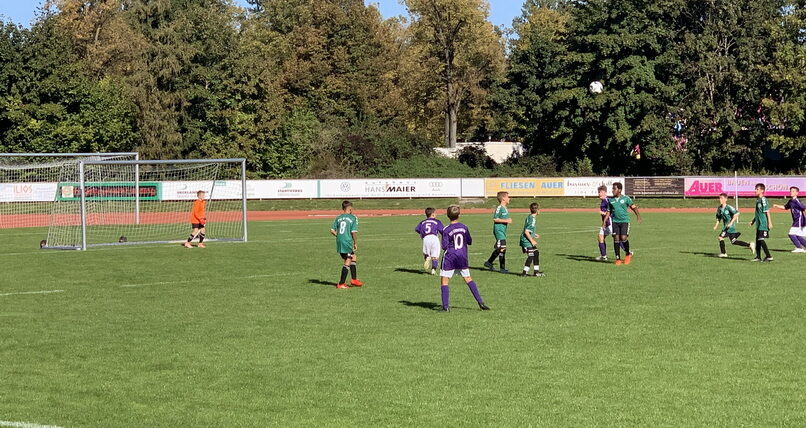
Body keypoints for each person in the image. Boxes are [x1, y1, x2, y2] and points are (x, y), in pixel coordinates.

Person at [439, 205, 489, 312]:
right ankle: (481, 303)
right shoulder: (464, 227)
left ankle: (445, 307)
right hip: (462, 256)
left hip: (450, 257)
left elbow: (444, 246)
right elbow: (469, 241)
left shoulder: (446, 229)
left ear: (447, 216)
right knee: (468, 278)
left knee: (444, 280)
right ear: (459, 215)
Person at [602, 182, 641, 265]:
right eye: (612, 188)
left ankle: (627, 254)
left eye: (614, 189)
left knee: (623, 238)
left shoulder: (626, 198)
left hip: (624, 221)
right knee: (616, 238)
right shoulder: (611, 200)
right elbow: (608, 211)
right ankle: (618, 259)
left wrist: (638, 216)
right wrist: (605, 221)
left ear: (619, 190)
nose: (612, 190)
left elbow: (633, 207)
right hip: (615, 222)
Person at [330, 200, 364, 288]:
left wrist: (339, 236)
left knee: (353, 257)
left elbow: (332, 230)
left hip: (340, 241)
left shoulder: (338, 217)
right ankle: (341, 283)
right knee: (348, 259)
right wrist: (355, 242)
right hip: (347, 241)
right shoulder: (353, 218)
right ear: (350, 208)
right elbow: (354, 232)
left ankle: (354, 279)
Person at [713, 192, 753, 257]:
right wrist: (716, 225)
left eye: (722, 198)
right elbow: (718, 218)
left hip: (730, 227)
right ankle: (749, 245)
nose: (720, 200)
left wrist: (731, 223)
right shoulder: (719, 208)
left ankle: (723, 253)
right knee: (733, 241)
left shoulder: (728, 207)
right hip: (727, 227)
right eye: (720, 198)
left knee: (720, 237)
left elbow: (737, 213)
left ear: (726, 199)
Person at [484, 191, 512, 273]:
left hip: (502, 231)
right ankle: (502, 269)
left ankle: (489, 262)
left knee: (501, 248)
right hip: (499, 231)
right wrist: (506, 220)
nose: (509, 198)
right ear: (503, 198)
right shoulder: (499, 208)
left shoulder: (505, 208)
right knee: (502, 248)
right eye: (508, 197)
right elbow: (495, 219)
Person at [773, 186, 806, 253]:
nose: (791, 192)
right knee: (798, 235)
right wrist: (777, 206)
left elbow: (804, 208)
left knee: (791, 234)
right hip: (796, 220)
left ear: (797, 193)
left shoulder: (797, 201)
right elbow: (785, 207)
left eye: (793, 191)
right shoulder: (791, 201)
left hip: (799, 220)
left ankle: (799, 248)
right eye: (790, 191)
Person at [415, 207, 444, 274]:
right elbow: (442, 231)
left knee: (427, 253)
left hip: (426, 238)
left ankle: (427, 258)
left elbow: (417, 229)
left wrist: (423, 233)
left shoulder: (422, 222)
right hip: (434, 238)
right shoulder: (437, 221)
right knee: (435, 256)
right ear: (433, 214)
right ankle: (433, 270)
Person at [519, 202, 545, 277]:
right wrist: (532, 240)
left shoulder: (530, 217)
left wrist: (534, 234)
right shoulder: (532, 219)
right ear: (537, 210)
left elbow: (528, 230)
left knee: (536, 253)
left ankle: (536, 272)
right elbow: (526, 231)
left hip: (527, 239)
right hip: (526, 240)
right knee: (531, 255)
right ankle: (524, 273)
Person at [750, 183, 773, 262]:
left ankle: (769, 256)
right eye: (755, 189)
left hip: (763, 223)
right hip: (758, 224)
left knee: (760, 239)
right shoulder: (758, 199)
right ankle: (758, 257)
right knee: (757, 240)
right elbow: (758, 213)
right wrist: (753, 221)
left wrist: (770, 222)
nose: (755, 190)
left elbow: (767, 211)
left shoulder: (763, 199)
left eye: (757, 189)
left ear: (762, 190)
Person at [596, 185, 611, 261]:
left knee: (618, 239)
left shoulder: (607, 200)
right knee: (600, 237)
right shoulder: (603, 201)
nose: (598, 194)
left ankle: (628, 252)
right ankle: (603, 256)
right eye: (598, 192)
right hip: (605, 224)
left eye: (600, 192)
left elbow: (611, 211)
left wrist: (603, 213)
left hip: (610, 223)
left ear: (604, 192)